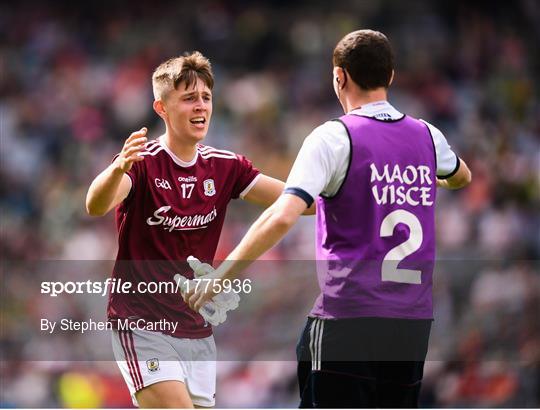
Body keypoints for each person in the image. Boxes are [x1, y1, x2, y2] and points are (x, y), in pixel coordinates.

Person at [185, 30, 472, 408]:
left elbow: (284, 215)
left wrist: (220, 277)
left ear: (340, 77)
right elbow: (462, 176)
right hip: (411, 324)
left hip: (348, 318)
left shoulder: (334, 138)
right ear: (390, 76)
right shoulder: (427, 135)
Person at [85, 51, 312, 408]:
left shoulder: (225, 167)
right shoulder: (141, 163)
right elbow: (96, 205)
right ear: (161, 108)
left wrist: (365, 190)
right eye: (189, 98)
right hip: (140, 323)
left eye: (206, 98)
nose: (201, 106)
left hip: (196, 329)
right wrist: (117, 169)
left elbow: (301, 202)